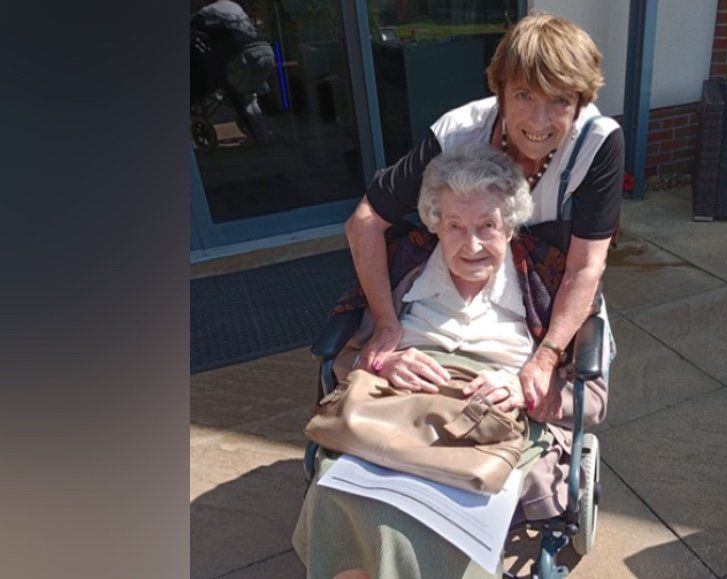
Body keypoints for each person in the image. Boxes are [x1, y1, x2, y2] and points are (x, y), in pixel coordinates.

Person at [293, 143, 608, 579]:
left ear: (511, 226)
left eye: (488, 225)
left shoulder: (548, 278)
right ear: (434, 224)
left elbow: (592, 399)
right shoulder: (404, 265)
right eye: (456, 225)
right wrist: (382, 363)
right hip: (395, 411)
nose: (472, 244)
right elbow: (342, 363)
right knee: (338, 498)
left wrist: (528, 389)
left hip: (488, 426)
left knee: (436, 523)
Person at [344, 12, 623, 427]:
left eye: (560, 100)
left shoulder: (596, 144)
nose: (538, 122)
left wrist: (546, 356)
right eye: (525, 95)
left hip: (541, 292)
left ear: (580, 103)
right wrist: (385, 325)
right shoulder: (455, 134)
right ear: (500, 92)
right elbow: (365, 221)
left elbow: (585, 266)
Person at [190, 0, 275, 144]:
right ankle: (261, 131)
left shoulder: (203, 17)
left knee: (238, 95)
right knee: (247, 97)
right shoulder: (231, 8)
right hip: (264, 53)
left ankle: (261, 136)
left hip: (240, 60)